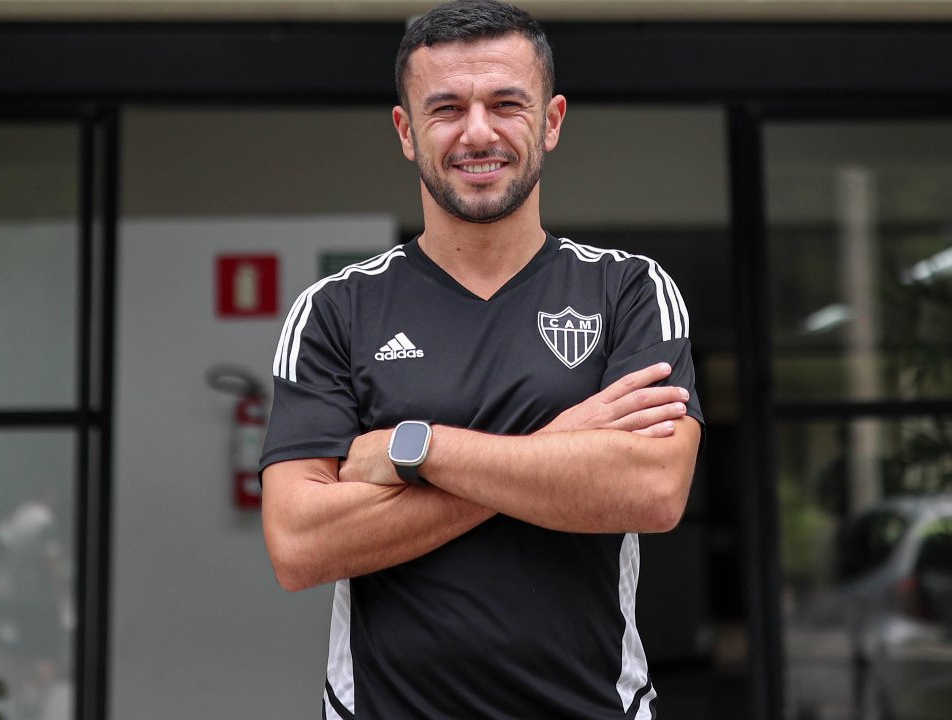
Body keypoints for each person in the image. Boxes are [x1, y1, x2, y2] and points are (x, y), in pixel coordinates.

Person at [259, 1, 704, 717]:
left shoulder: (627, 290)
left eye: (506, 103)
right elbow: (299, 543)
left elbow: (652, 491)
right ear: (406, 131)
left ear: (552, 121)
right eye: (445, 108)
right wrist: (559, 450)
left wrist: (420, 448)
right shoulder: (336, 311)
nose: (477, 132)